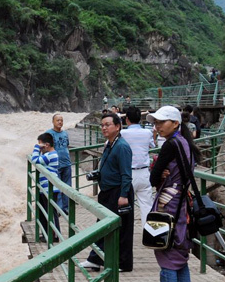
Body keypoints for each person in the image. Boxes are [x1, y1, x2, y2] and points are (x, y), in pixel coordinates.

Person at [144, 106, 202, 282]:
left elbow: (152, 177)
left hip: (168, 208)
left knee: (167, 260)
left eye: (162, 122)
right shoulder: (186, 144)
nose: (157, 126)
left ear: (175, 124)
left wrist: (159, 172)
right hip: (182, 207)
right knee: (180, 260)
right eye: (155, 122)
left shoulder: (170, 145)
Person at [80, 112, 135, 272]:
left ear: (117, 127)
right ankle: (96, 259)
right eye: (102, 125)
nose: (104, 128)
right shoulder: (110, 144)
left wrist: (123, 195)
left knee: (123, 229)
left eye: (107, 125)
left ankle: (123, 264)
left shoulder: (122, 147)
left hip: (118, 192)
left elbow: (126, 174)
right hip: (108, 191)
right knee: (103, 226)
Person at [121, 106, 156, 227]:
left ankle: (126, 233)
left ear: (127, 119)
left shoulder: (122, 133)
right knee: (147, 205)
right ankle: (149, 234)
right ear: (140, 119)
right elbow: (153, 145)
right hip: (144, 172)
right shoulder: (147, 133)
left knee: (126, 205)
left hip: (127, 174)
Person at [30, 132, 61, 241]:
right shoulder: (47, 155)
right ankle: (47, 233)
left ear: (46, 145)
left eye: (41, 145)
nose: (40, 148)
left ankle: (55, 235)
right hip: (45, 188)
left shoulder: (50, 155)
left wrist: (36, 148)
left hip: (50, 189)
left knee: (51, 213)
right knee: (44, 211)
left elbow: (34, 160)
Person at [47, 114, 71, 216]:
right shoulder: (49, 134)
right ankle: (59, 209)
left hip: (67, 163)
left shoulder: (65, 133)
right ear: (53, 121)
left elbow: (67, 145)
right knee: (57, 187)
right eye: (57, 120)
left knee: (67, 187)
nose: (60, 122)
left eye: (61, 120)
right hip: (55, 165)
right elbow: (45, 149)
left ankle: (66, 208)